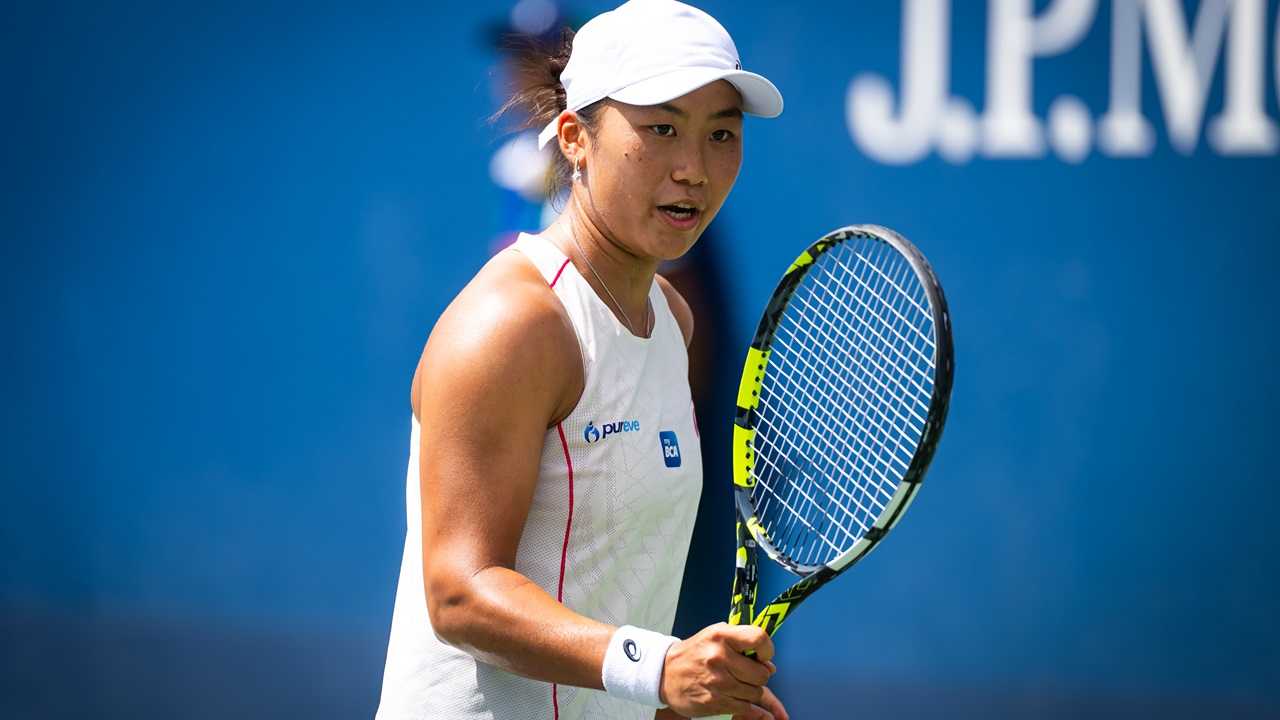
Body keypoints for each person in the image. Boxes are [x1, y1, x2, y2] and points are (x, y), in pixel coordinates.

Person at [375, 1, 786, 718]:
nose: (694, 167)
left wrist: (680, 700)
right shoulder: (510, 327)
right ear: (574, 139)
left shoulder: (672, 320)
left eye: (722, 132)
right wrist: (659, 666)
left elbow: (606, 598)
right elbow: (460, 592)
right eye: (661, 128)